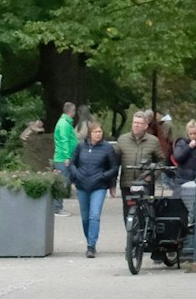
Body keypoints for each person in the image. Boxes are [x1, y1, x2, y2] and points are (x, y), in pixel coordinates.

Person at [66, 120, 119, 259]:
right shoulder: (80, 146)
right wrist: (76, 174)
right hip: (82, 185)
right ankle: (89, 239)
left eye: (100, 131)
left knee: (94, 216)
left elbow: (114, 167)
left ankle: (91, 245)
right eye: (95, 132)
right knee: (85, 218)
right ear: (90, 133)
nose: (98, 134)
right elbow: (72, 163)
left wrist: (103, 176)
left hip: (99, 186)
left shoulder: (107, 148)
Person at [114, 111, 166, 200]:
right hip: (127, 184)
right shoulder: (122, 140)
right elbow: (114, 162)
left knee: (146, 207)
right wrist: (112, 183)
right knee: (128, 208)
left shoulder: (153, 141)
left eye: (139, 123)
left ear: (145, 126)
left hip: (146, 184)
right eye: (134, 122)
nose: (136, 125)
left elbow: (161, 161)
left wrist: (152, 176)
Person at [170, 119, 196, 209]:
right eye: (191, 134)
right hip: (182, 179)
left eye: (195, 133)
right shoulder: (181, 143)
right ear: (187, 133)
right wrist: (189, 147)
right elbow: (177, 157)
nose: (193, 136)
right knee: (177, 205)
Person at [50, 103, 78, 215]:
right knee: (62, 183)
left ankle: (57, 206)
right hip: (63, 158)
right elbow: (64, 140)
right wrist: (67, 156)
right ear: (72, 111)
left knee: (64, 181)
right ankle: (57, 208)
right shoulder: (64, 124)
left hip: (63, 157)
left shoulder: (65, 123)